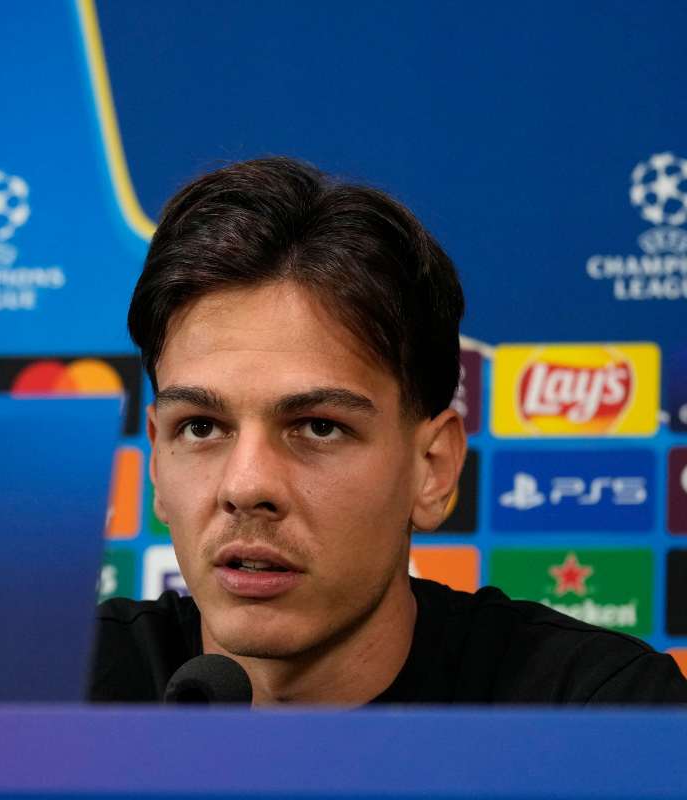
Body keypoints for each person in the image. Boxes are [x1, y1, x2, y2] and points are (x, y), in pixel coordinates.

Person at [91, 157, 687, 705]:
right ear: (156, 462)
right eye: (200, 427)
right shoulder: (65, 687)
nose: (246, 486)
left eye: (319, 427)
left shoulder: (601, 712)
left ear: (433, 469)